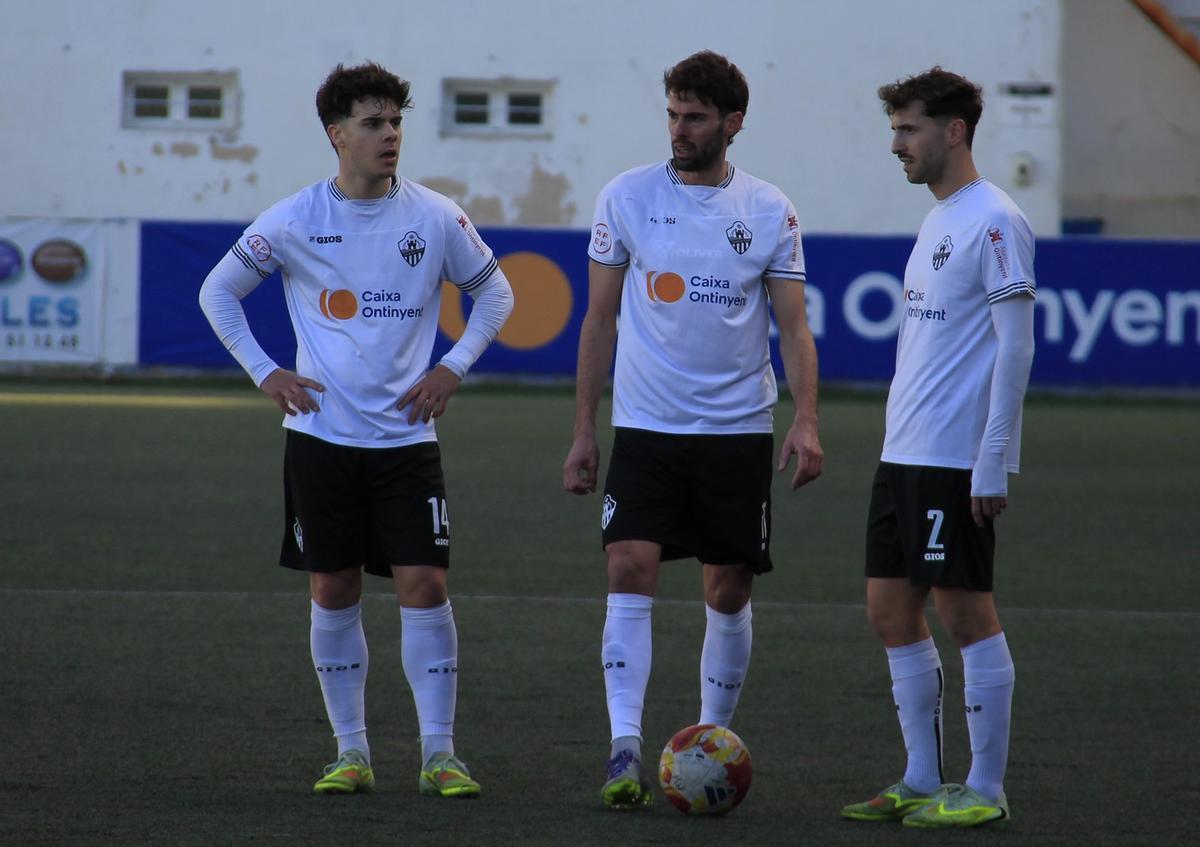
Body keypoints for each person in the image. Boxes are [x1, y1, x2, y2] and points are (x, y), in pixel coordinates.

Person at [198, 61, 513, 798]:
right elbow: (220, 290)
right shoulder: (295, 218)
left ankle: (440, 753)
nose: (390, 136)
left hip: (406, 443)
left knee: (425, 583)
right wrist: (266, 372)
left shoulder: (435, 216)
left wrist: (454, 366)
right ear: (337, 135)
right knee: (332, 588)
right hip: (322, 440)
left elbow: (494, 292)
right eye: (374, 124)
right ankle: (352, 753)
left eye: (396, 122)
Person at [562, 49, 823, 810]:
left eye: (696, 116)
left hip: (738, 431)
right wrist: (585, 428)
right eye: (673, 113)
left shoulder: (770, 209)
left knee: (729, 585)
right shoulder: (627, 197)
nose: (679, 128)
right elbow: (599, 318)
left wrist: (805, 419)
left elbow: (795, 330)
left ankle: (708, 741)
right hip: (647, 429)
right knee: (627, 566)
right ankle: (623, 746)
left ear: (732, 123)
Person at [840, 67, 1035, 828]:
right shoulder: (939, 219)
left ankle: (985, 789)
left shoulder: (995, 219)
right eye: (895, 129)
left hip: (956, 456)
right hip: (906, 453)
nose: (897, 144)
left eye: (909, 128)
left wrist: (994, 457)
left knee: (964, 610)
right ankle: (923, 776)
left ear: (954, 131)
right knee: (890, 607)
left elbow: (1015, 349)